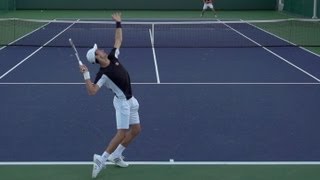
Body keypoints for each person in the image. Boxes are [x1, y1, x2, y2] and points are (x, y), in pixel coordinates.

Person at [79, 12, 141, 178]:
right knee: (122, 132)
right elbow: (92, 92)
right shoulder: (102, 74)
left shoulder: (113, 56)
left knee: (136, 130)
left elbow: (118, 40)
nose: (100, 50)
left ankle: (116, 155)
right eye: (98, 51)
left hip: (131, 100)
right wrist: (86, 75)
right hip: (121, 103)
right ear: (97, 58)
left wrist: (118, 23)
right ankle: (102, 159)